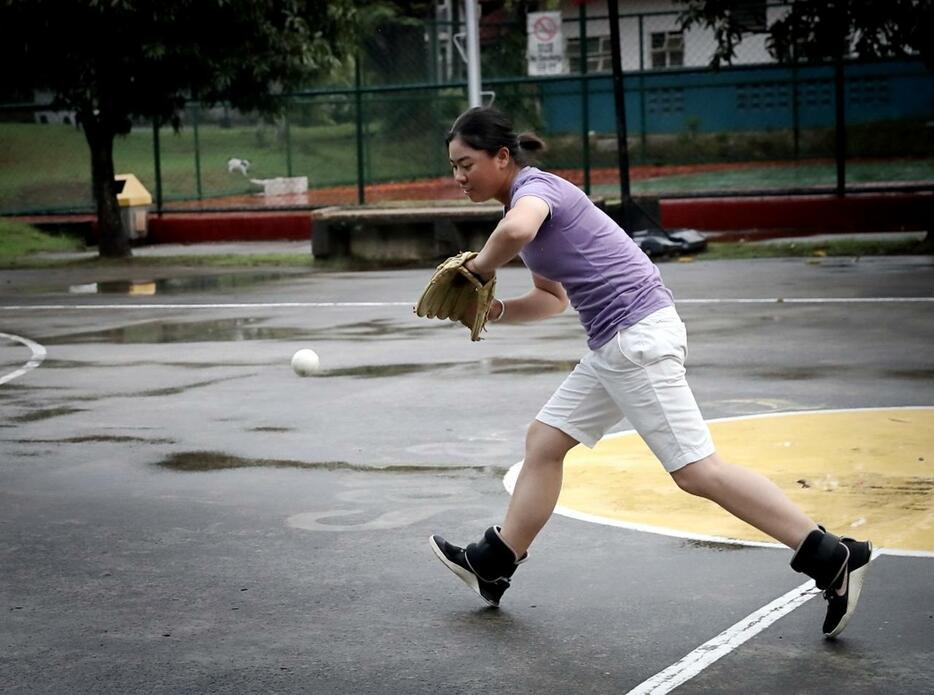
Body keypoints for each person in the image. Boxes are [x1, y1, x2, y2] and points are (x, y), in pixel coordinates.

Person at [427, 106, 872, 639]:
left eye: (466, 164)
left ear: (502, 157)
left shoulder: (536, 194)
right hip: (614, 344)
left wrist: (478, 268)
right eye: (453, 167)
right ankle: (495, 562)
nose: (459, 178)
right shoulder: (526, 208)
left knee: (696, 472)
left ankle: (831, 556)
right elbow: (551, 300)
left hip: (636, 338)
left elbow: (516, 230)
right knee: (544, 442)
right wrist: (493, 310)